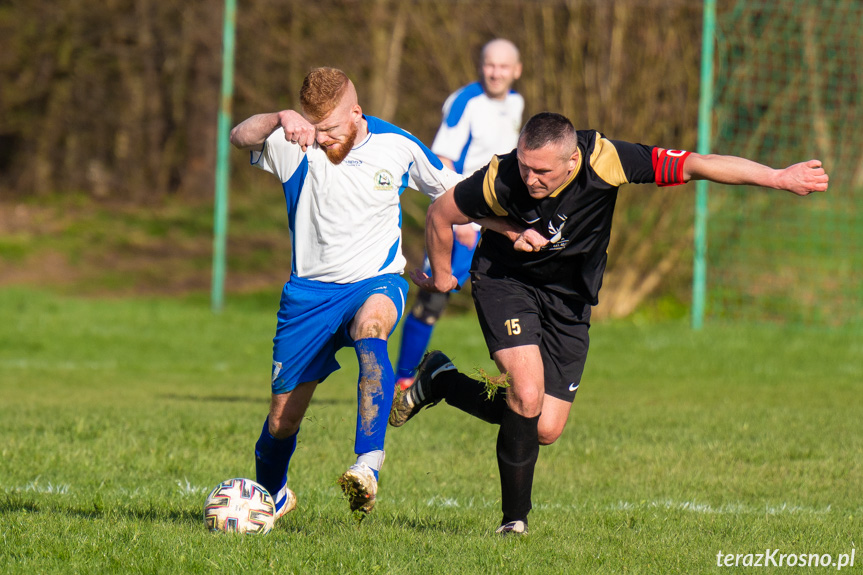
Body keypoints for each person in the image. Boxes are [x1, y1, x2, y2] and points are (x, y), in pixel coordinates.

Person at [390, 112, 829, 534]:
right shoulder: (502, 173)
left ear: (572, 161)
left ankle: (443, 381)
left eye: (542, 171)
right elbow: (441, 213)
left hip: (569, 300)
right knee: (526, 392)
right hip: (507, 282)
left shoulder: (606, 159)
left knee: (543, 427)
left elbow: (697, 164)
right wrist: (445, 276)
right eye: (525, 166)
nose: (529, 179)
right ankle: (514, 521)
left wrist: (776, 177)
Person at [228, 67, 466, 518]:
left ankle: (367, 466)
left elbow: (454, 191)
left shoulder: (396, 144)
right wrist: (280, 118)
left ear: (356, 113)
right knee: (283, 420)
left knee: (371, 327)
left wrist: (512, 227)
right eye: (312, 127)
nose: (320, 138)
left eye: (331, 129)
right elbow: (239, 136)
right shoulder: (294, 140)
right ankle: (270, 498)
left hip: (376, 280)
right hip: (307, 298)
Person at [394, 38, 524, 390]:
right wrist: (461, 217)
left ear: (516, 70)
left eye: (502, 66)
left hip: (498, 215)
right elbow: (444, 161)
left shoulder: (516, 103)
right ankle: (402, 380)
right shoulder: (464, 102)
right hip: (463, 215)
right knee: (434, 296)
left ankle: (521, 375)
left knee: (514, 291)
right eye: (488, 64)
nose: (495, 73)